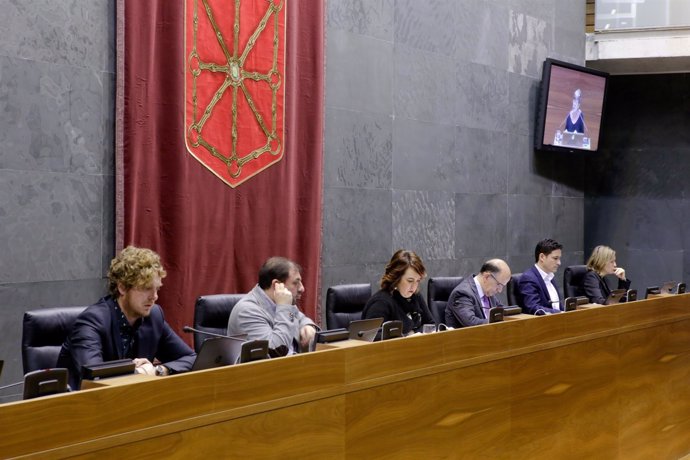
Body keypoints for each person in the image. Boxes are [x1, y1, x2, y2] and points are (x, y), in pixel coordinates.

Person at [57, 246, 196, 390]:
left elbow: (191, 359)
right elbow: (94, 378)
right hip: (81, 406)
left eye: (156, 289)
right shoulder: (91, 321)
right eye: (146, 288)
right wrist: (137, 373)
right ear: (122, 288)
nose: (154, 296)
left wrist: (159, 371)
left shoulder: (153, 317)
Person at [227, 257, 317, 355]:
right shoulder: (247, 311)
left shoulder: (282, 301)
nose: (302, 288)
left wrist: (307, 325)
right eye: (296, 283)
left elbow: (298, 317)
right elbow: (276, 351)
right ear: (276, 285)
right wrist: (284, 308)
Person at [361, 249, 435, 335]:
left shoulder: (415, 295)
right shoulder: (381, 303)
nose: (414, 287)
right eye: (410, 281)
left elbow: (431, 325)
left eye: (418, 281)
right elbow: (371, 338)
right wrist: (407, 337)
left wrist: (413, 333)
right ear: (396, 278)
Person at [445, 259, 511, 328]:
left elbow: (503, 309)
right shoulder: (463, 293)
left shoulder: (488, 291)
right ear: (486, 277)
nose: (500, 290)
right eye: (499, 285)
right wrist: (499, 322)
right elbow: (471, 322)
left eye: (503, 286)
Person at [517, 239, 563, 315]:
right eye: (555, 258)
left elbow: (557, 306)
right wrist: (560, 313)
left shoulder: (550, 277)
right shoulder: (528, 278)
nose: (559, 263)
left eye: (559, 258)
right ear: (542, 257)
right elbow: (533, 307)